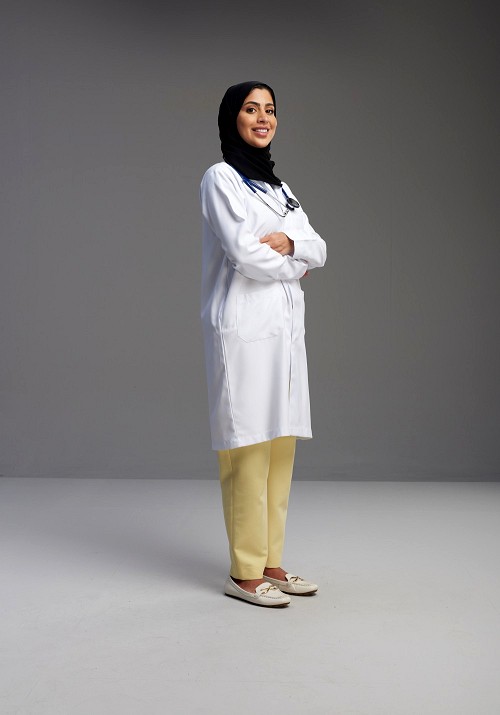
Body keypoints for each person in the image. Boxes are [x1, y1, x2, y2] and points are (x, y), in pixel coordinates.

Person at [200, 81, 327, 607]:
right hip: (243, 330)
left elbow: (319, 247)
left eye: (270, 110)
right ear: (233, 117)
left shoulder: (279, 188)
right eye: (251, 109)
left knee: (280, 446)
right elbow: (244, 255)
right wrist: (294, 263)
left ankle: (272, 562)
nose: (262, 118)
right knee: (248, 446)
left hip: (283, 331)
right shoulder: (221, 178)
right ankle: (245, 571)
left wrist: (292, 244)